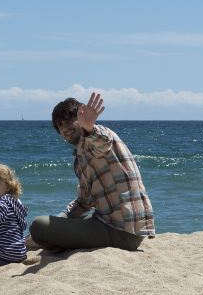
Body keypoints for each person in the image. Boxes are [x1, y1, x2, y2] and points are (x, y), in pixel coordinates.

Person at [29, 92, 154, 251]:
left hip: (123, 230)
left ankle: (47, 242)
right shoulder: (80, 156)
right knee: (46, 226)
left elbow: (102, 141)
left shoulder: (97, 136)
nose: (64, 128)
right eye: (59, 125)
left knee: (39, 225)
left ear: (81, 117)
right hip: (105, 223)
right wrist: (59, 219)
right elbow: (84, 203)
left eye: (69, 120)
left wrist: (89, 127)